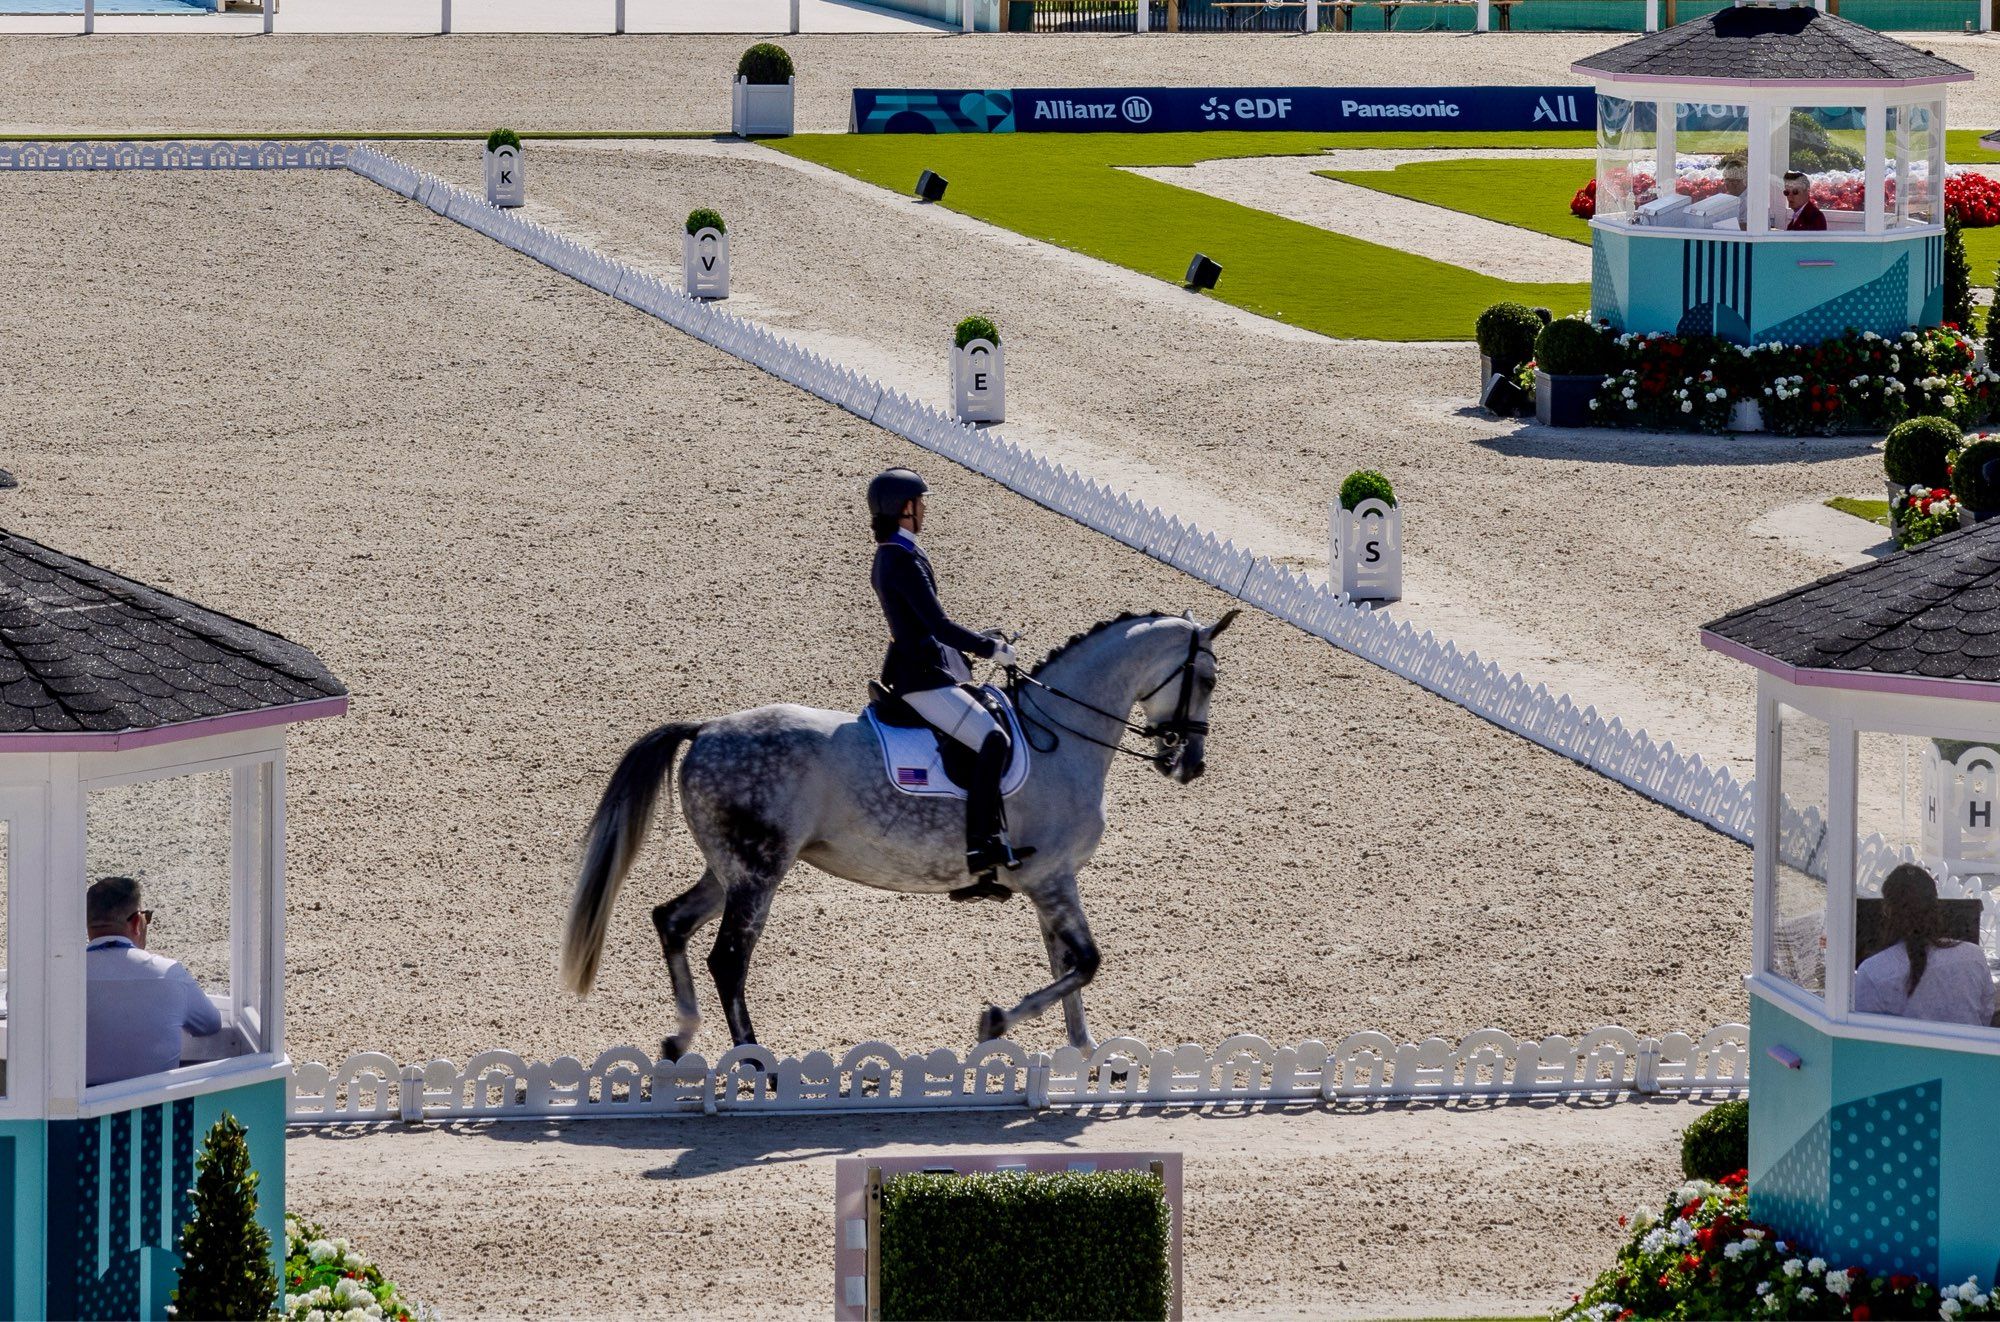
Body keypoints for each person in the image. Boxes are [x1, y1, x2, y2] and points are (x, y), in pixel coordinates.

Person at [866, 467, 1033, 881]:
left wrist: (977, 638)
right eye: (921, 502)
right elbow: (938, 626)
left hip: (925, 668)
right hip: (919, 677)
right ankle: (980, 845)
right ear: (906, 508)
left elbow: (928, 627)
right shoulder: (899, 559)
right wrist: (991, 648)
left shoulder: (898, 552)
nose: (925, 509)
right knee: (993, 739)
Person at [84, 876, 222, 1086]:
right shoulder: (169, 974)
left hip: (76, 1115)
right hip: (154, 1114)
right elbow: (210, 1024)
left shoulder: (60, 977)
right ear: (137, 923)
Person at [1854, 864, 1996, 1026]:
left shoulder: (1873, 971)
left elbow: (1865, 1034)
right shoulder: (1973, 956)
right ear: (1936, 907)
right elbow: (1985, 1016)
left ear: (1887, 911)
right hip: (1967, 1051)